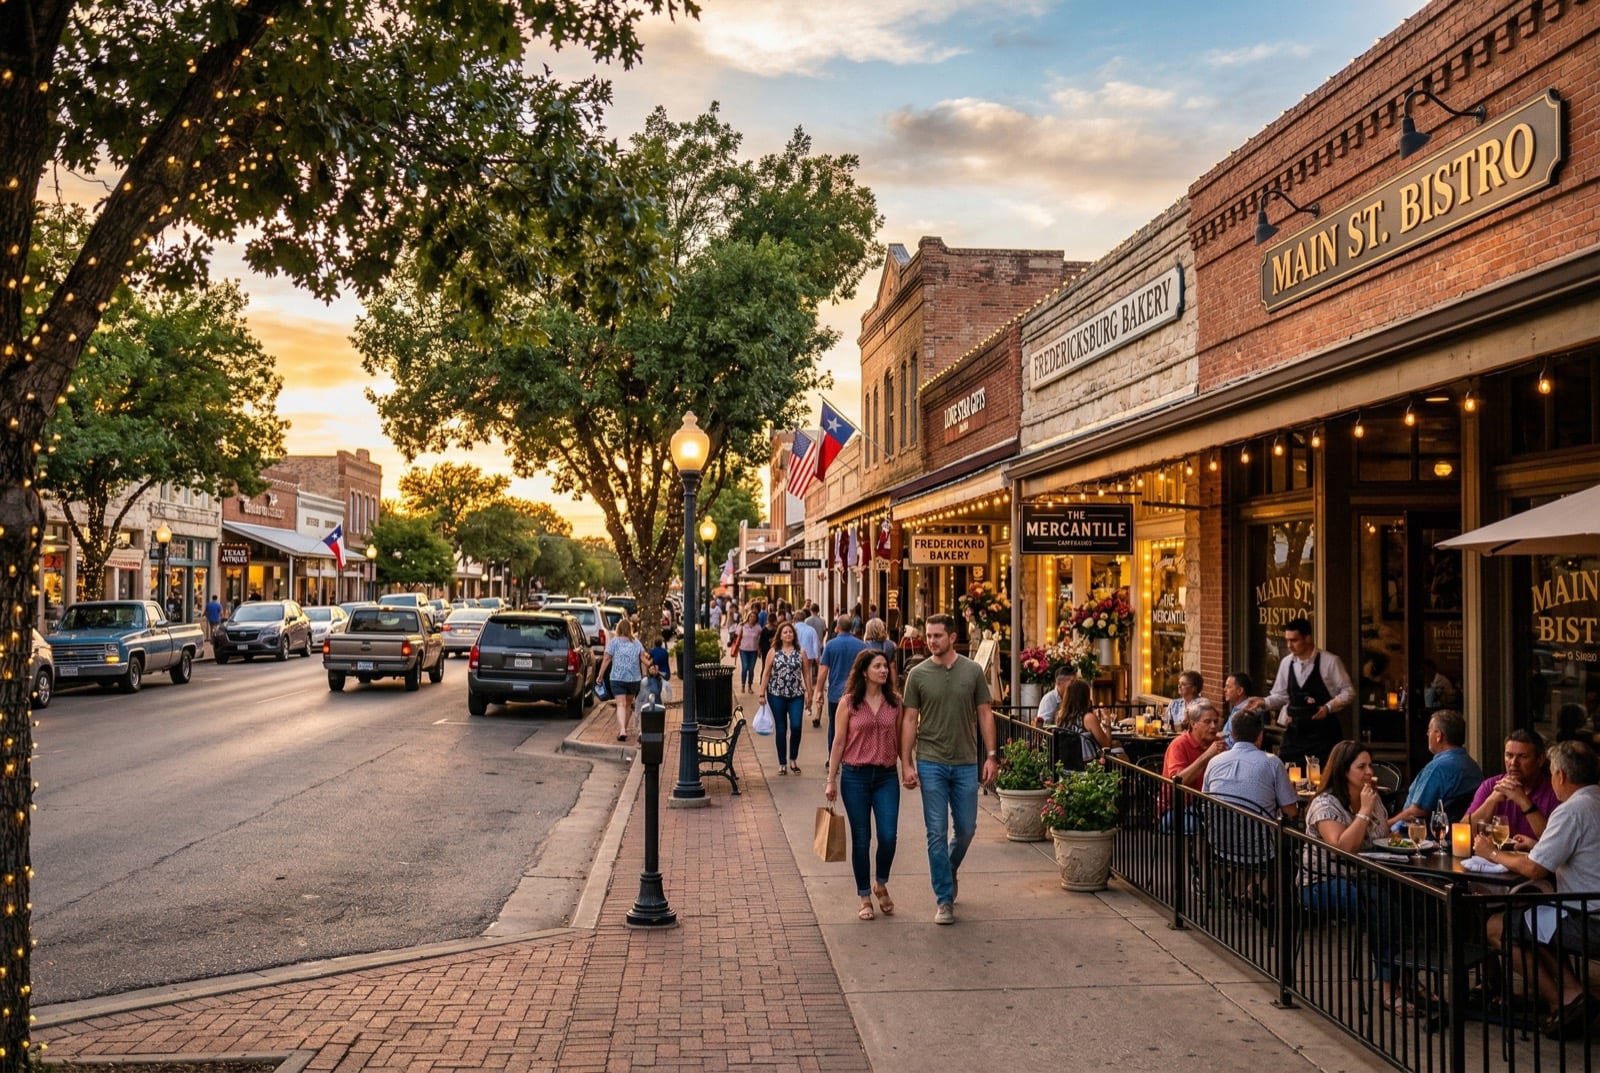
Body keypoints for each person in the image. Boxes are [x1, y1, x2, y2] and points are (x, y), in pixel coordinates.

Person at [1473, 741, 1600, 1039]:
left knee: (1498, 925)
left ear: (1560, 776)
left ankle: (1562, 1001)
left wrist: (1490, 853)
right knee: (1532, 914)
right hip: (1585, 908)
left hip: (1588, 918)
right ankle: (1573, 991)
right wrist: (1534, 846)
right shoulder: (1593, 801)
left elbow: (1534, 870)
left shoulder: (1572, 810)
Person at [1299, 739, 1410, 1015]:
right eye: (1361, 766)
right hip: (1322, 881)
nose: (1369, 771)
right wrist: (1363, 812)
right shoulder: (1326, 804)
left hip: (1368, 877)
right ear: (1342, 770)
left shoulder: (1373, 798)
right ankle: (1389, 986)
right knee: (1382, 904)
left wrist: (1394, 838)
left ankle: (1406, 976)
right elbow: (1343, 849)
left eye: (1370, 765)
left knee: (1410, 898)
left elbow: (1382, 838)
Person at [899, 613, 996, 925]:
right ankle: (944, 899)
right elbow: (910, 720)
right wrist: (907, 763)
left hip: (966, 762)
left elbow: (984, 714)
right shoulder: (918, 674)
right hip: (931, 762)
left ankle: (948, 867)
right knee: (935, 833)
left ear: (953, 638)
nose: (931, 641)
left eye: (937, 636)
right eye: (928, 635)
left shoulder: (972, 672)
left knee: (966, 829)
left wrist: (991, 755)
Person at [825, 648, 903, 921]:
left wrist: (908, 768)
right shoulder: (848, 703)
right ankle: (864, 896)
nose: (884, 670)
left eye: (886, 666)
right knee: (861, 838)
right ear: (864, 671)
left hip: (886, 776)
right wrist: (830, 779)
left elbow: (901, 737)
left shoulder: (895, 702)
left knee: (888, 836)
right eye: (878, 666)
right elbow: (838, 741)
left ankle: (880, 882)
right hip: (855, 776)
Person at [1253, 617, 1355, 767]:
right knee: (1288, 773)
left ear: (1308, 638)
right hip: (1295, 734)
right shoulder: (1286, 663)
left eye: (1294, 640)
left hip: (1323, 734)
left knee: (1324, 777)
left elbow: (1349, 692)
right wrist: (1264, 702)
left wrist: (1328, 707)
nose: (1289, 646)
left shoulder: (1330, 661)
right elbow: (1281, 695)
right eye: (1287, 641)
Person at [1388, 710, 1484, 829]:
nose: (1427, 734)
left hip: (1422, 839)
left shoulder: (1438, 768)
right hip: (1458, 837)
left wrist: (1387, 825)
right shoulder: (1473, 767)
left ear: (1439, 736)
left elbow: (1416, 811)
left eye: (1429, 730)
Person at [1202, 708, 1300, 821]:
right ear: (1260, 736)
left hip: (1218, 836)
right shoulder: (1273, 763)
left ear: (1232, 735)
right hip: (1260, 838)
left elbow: (1206, 803)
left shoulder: (1214, 762)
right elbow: (1291, 811)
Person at [1464, 728, 1559, 842]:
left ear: (1540, 759)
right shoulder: (1490, 786)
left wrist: (1523, 801)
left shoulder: (1555, 790)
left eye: (1522, 756)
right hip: (1493, 857)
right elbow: (1464, 833)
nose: (1513, 763)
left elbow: (1554, 842)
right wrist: (1491, 801)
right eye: (1509, 755)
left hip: (1533, 858)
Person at [760, 621, 812, 775]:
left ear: (794, 635)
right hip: (776, 694)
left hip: (796, 695)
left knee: (796, 726)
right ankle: (782, 763)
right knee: (781, 729)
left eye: (790, 632)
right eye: (785, 632)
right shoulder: (773, 652)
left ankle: (793, 759)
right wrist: (762, 693)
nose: (788, 634)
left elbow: (806, 673)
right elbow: (766, 673)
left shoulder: (801, 652)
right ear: (780, 636)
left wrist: (809, 692)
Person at [814, 615, 868, 753]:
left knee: (834, 725)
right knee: (855, 726)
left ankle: (833, 756)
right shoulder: (861, 645)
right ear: (851, 628)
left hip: (835, 693)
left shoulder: (831, 645)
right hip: (857, 692)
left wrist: (819, 690)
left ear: (837, 627)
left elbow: (823, 670)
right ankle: (852, 754)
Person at [597, 618, 646, 742]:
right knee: (628, 705)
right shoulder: (636, 642)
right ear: (630, 629)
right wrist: (646, 675)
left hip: (618, 678)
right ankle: (623, 729)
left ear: (618, 629)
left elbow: (606, 659)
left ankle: (623, 730)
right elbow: (643, 659)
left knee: (620, 704)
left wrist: (600, 675)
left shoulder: (614, 642)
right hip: (634, 679)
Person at [1221, 670, 1257, 748]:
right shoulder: (1236, 708)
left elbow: (1233, 741)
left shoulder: (1248, 711)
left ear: (1240, 691)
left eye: (1228, 687)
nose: (1224, 689)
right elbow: (1228, 732)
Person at [861, 618, 898, 692]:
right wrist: (894, 687)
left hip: (870, 684)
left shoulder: (864, 646)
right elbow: (892, 667)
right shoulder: (891, 645)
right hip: (886, 681)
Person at [733, 610, 762, 693]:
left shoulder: (758, 627)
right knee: (745, 667)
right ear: (748, 617)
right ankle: (743, 685)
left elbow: (760, 639)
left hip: (754, 650)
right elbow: (736, 636)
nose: (752, 618)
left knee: (751, 669)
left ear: (756, 618)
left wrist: (759, 650)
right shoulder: (742, 625)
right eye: (751, 616)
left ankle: (749, 686)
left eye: (754, 617)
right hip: (743, 650)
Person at [644, 632, 671, 708]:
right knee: (658, 689)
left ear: (655, 644)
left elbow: (648, 661)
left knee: (654, 689)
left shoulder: (652, 652)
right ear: (661, 643)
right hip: (665, 674)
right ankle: (659, 704)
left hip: (655, 673)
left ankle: (657, 705)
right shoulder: (665, 652)